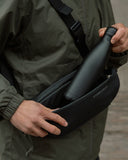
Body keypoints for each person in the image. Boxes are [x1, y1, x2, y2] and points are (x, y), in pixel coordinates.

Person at [0, 0, 127, 160]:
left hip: (87, 148)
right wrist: (12, 105)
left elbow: (102, 61)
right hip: (30, 151)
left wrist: (118, 47)